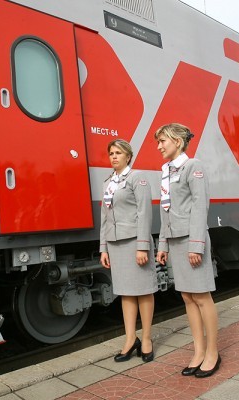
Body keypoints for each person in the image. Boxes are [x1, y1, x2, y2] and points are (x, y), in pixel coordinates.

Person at [154, 123, 220, 378]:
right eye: (158, 142)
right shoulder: (166, 172)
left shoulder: (193, 166)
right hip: (174, 241)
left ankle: (212, 352)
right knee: (187, 298)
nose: (159, 146)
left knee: (202, 297)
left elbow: (200, 206)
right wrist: (162, 245)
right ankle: (199, 351)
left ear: (178, 142)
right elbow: (165, 210)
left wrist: (196, 245)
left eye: (163, 141)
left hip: (192, 240)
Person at [99, 139, 157, 363]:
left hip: (134, 242)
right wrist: (103, 247)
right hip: (115, 245)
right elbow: (105, 218)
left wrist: (143, 245)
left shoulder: (137, 178)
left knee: (143, 290)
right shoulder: (108, 183)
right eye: (111, 153)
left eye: (118, 153)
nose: (114, 156)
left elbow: (145, 213)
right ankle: (130, 339)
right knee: (126, 292)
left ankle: (148, 338)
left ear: (128, 157)